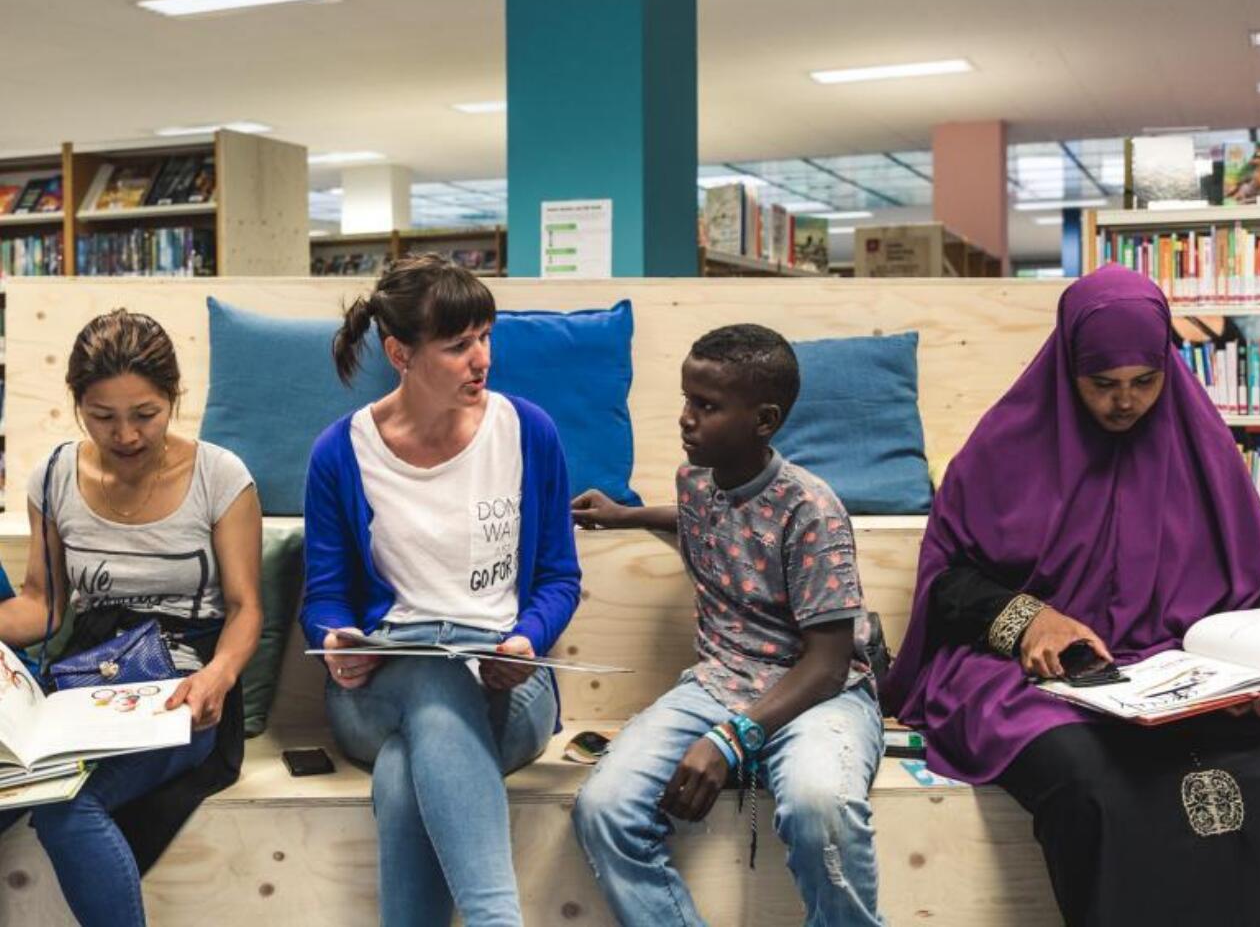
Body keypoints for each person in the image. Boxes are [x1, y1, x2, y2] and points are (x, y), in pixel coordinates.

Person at [882, 264, 1260, 926]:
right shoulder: (1003, 451)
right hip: (1033, 675)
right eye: (1102, 385)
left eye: (1144, 382)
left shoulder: (1202, 450)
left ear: (1168, 368)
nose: (1124, 403)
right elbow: (949, 583)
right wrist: (1029, 618)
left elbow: (1256, 578)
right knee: (1088, 780)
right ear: (1066, 367)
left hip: (1183, 668)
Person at [570, 324, 885, 927]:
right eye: (687, 400)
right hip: (717, 681)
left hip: (816, 695)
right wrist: (625, 516)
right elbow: (701, 515)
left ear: (764, 421)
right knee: (603, 809)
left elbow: (827, 664)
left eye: (707, 406)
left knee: (822, 810)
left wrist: (729, 738)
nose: (686, 419)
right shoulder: (697, 482)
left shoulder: (812, 511)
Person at [301, 255, 581, 926]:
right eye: (457, 346)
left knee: (406, 771)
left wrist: (525, 641)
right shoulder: (342, 452)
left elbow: (559, 578)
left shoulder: (527, 432)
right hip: (382, 684)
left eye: (485, 336)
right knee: (431, 685)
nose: (481, 359)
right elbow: (325, 596)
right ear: (400, 353)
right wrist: (336, 642)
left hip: (508, 683)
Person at [0, 309, 263, 927]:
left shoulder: (220, 477)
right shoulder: (56, 475)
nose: (125, 435)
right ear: (77, 405)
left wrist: (220, 676)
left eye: (145, 414)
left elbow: (247, 607)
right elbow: (44, 603)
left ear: (174, 398)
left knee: (69, 807)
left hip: (185, 685)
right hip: (83, 682)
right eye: (102, 417)